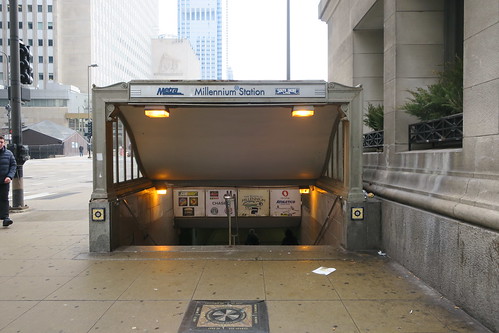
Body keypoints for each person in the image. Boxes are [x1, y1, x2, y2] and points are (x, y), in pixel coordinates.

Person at [0, 136, 17, 227]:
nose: (0, 144)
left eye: (1, 142)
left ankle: (5, 218)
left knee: (4, 199)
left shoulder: (8, 154)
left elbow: (13, 166)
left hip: (4, 181)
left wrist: (9, 176)